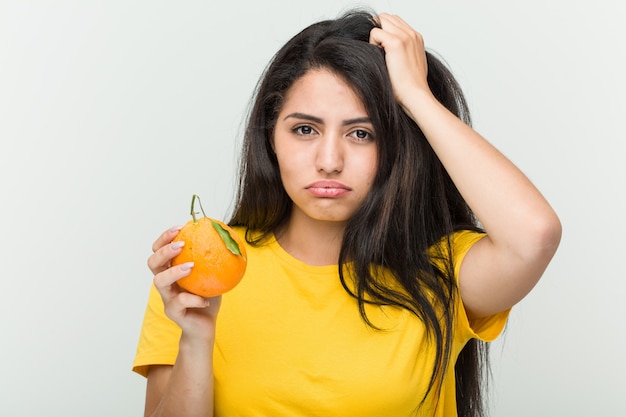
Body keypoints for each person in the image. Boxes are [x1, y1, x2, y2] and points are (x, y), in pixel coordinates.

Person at [133, 10, 561, 417]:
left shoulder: (441, 272)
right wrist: (196, 338)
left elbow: (534, 235)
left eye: (362, 133)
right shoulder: (202, 270)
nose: (329, 160)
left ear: (398, 145)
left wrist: (415, 95)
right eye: (305, 129)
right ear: (271, 139)